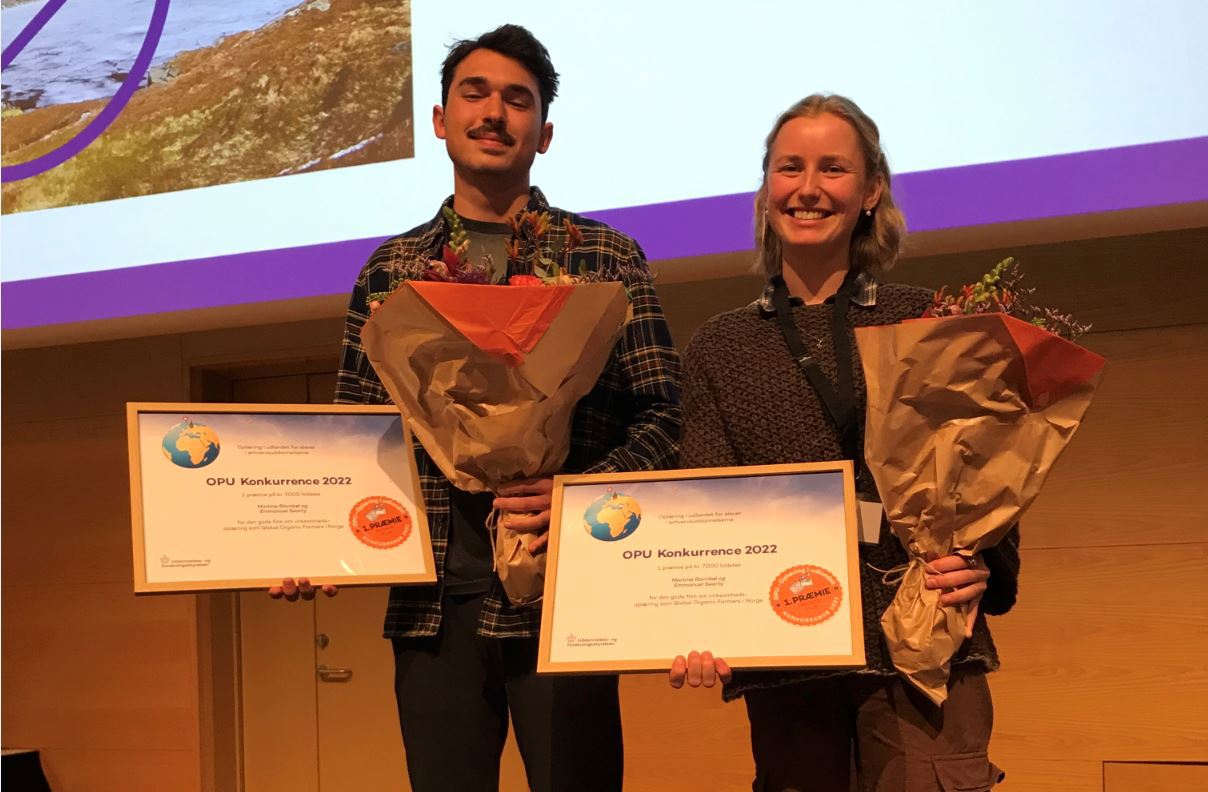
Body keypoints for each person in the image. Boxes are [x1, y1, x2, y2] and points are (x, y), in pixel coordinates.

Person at [272, 25, 681, 792]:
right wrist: (306, 538)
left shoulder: (607, 258)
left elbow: (663, 420)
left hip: (569, 599)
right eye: (476, 92)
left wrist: (575, 497)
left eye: (518, 100)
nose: (495, 112)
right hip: (431, 607)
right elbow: (354, 431)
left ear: (544, 133)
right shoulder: (392, 270)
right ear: (438, 120)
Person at [668, 94, 1018, 792]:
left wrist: (985, 561)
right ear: (766, 189)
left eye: (833, 169)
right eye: (788, 168)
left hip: (926, 638)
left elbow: (985, 465)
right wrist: (695, 618)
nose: (807, 188)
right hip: (787, 653)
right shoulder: (719, 348)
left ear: (870, 191)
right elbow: (701, 505)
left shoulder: (925, 319)